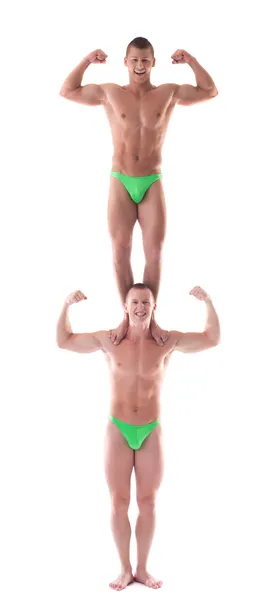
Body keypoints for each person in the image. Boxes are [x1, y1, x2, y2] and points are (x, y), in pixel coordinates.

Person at [56, 283, 220, 591]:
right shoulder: (110, 339)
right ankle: (124, 568)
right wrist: (66, 305)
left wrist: (208, 301)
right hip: (118, 428)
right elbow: (63, 340)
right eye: (135, 302)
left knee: (147, 501)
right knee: (119, 502)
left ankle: (143, 569)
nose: (140, 307)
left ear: (154, 307)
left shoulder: (166, 340)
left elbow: (212, 338)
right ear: (126, 307)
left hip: (150, 428)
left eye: (146, 301)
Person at [59, 38, 218, 346]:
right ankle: (126, 316)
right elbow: (67, 91)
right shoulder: (109, 92)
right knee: (120, 252)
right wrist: (87, 61)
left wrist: (191, 60)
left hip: (151, 179)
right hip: (121, 179)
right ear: (126, 62)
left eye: (145, 60)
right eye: (134, 60)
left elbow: (209, 91)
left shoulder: (168, 92)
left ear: (153, 62)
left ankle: (151, 316)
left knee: (154, 253)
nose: (140, 66)